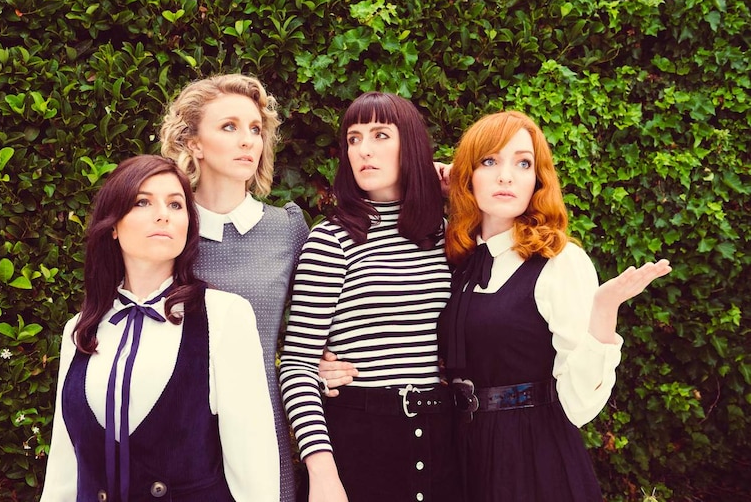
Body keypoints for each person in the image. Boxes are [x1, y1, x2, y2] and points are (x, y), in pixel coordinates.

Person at [438, 110, 672, 501]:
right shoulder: (458, 259)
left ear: (537, 180)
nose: (506, 176)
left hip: (532, 458)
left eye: (523, 163)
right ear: (467, 176)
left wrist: (604, 309)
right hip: (462, 452)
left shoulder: (559, 262)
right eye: (489, 161)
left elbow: (579, 407)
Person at [40, 155, 278, 502]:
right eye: (143, 202)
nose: (163, 214)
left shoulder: (224, 316)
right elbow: (64, 471)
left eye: (176, 204)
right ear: (113, 226)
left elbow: (255, 472)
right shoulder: (79, 330)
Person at [279, 92, 460, 502]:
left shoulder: (445, 234)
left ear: (410, 145)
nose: (364, 150)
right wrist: (322, 470)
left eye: (380, 135)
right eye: (354, 138)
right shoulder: (332, 240)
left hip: (444, 434)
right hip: (361, 438)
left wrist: (457, 192)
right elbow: (297, 365)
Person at [158, 73, 310, 502]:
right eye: (229, 127)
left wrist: (330, 361)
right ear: (194, 142)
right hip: (174, 423)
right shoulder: (165, 227)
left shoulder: (287, 229)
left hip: (260, 421)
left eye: (255, 129)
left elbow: (316, 331)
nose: (248, 141)